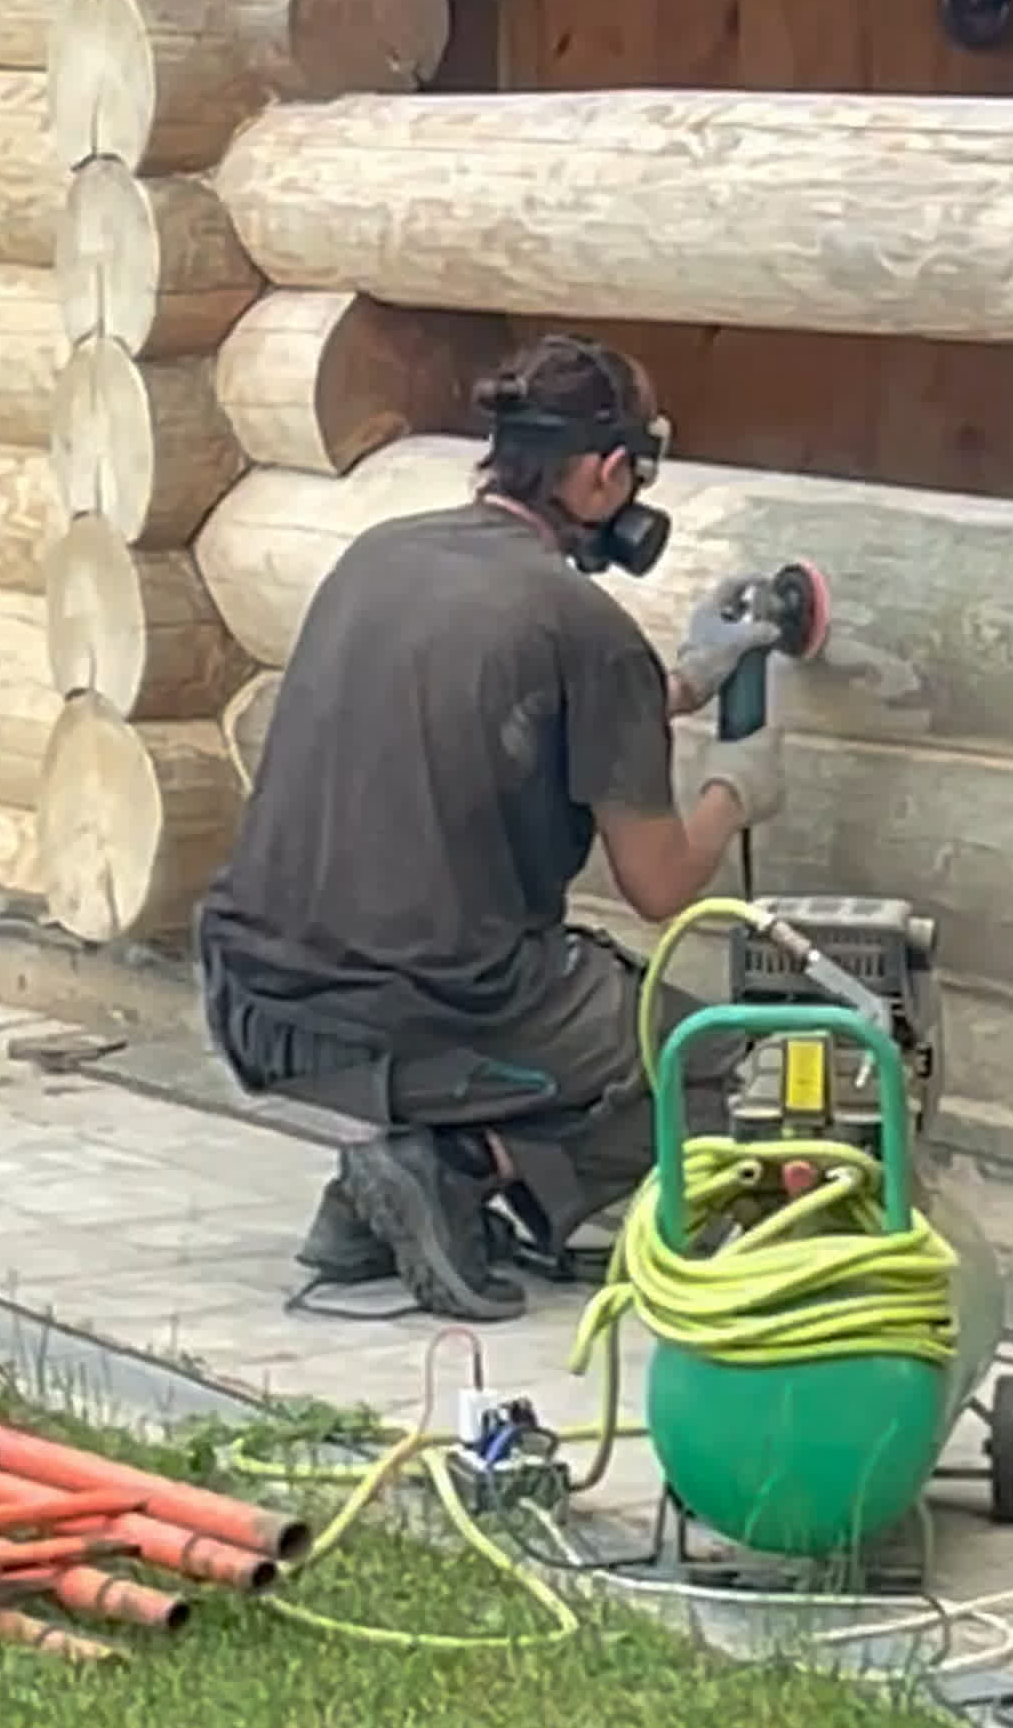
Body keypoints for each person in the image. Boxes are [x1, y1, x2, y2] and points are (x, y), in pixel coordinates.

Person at [195, 333, 788, 1322]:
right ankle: (462, 1166)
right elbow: (661, 886)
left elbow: (502, 707)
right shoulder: (584, 627)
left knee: (566, 1009)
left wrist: (683, 679)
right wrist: (736, 789)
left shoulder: (384, 554)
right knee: (720, 1064)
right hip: (423, 1006)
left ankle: (371, 1202)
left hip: (256, 997)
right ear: (605, 474)